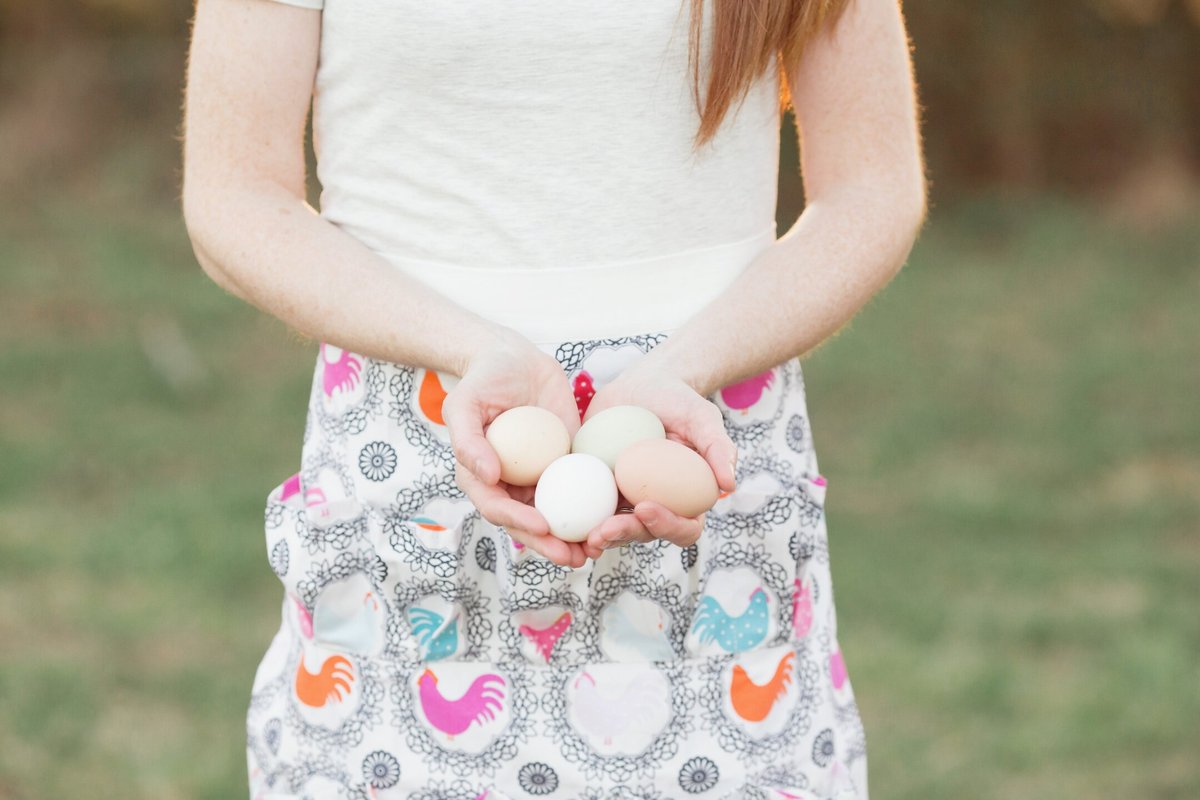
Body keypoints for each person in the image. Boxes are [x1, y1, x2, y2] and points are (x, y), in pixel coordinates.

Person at [182, 0, 924, 796]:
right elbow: (236, 196)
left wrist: (685, 367)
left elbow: (871, 189)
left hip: (702, 437)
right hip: (412, 448)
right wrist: (468, 347)